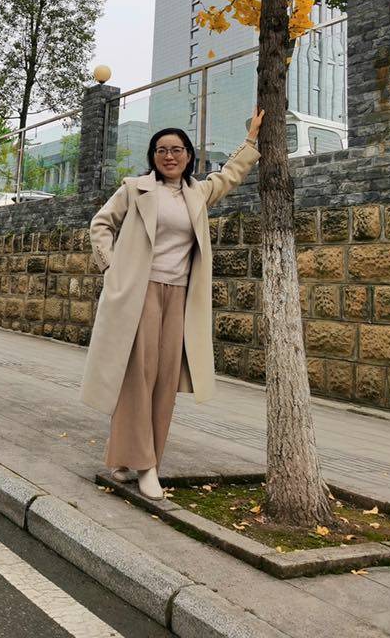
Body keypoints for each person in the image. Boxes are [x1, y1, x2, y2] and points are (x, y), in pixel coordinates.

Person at [81, 107, 264, 500]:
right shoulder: (135, 189)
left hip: (180, 296)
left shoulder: (198, 193)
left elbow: (230, 175)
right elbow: (101, 223)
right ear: (153, 156)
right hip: (140, 292)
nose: (169, 156)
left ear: (188, 155)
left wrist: (251, 139)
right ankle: (145, 466)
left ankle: (134, 458)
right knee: (139, 376)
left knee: (164, 380)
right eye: (161, 150)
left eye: (177, 149)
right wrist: (112, 266)